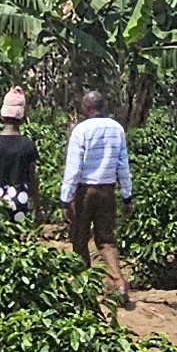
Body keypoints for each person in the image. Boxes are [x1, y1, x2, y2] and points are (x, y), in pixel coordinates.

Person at [60, 89, 132, 290]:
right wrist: (127, 196)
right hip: (107, 191)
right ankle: (119, 284)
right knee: (106, 240)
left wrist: (66, 199)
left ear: (86, 108)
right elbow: (123, 166)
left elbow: (74, 168)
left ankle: (84, 285)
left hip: (85, 191)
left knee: (79, 238)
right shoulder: (117, 129)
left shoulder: (81, 130)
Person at [0, 88, 40, 219]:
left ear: (2, 116)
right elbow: (32, 178)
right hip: (20, 200)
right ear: (22, 118)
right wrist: (38, 206)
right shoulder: (28, 145)